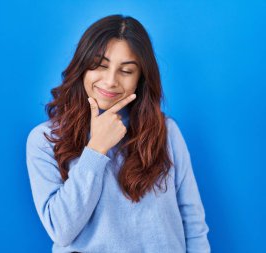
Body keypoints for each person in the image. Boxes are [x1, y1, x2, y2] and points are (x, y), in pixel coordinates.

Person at [26, 14, 210, 253]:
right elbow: (61, 230)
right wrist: (96, 150)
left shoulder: (165, 132)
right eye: (101, 66)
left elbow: (193, 223)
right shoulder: (45, 139)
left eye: (126, 71)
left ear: (140, 80)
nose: (110, 81)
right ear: (82, 67)